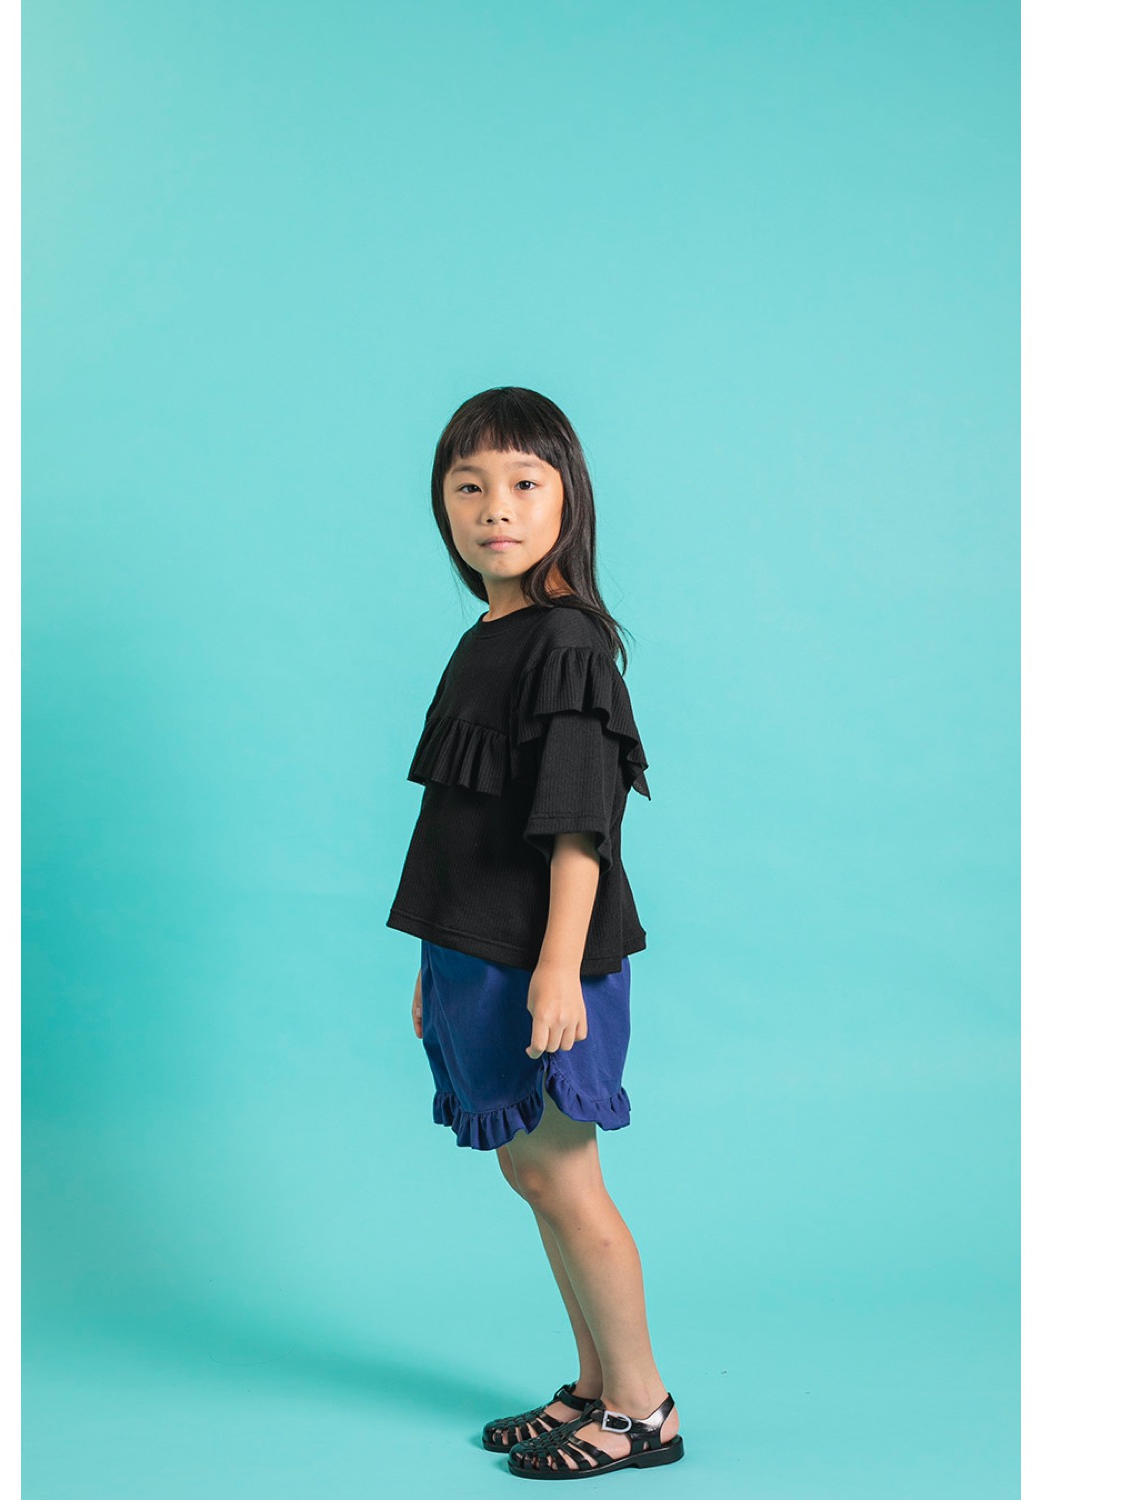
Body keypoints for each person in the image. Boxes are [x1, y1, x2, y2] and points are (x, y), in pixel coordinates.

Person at [386, 387, 685, 1479]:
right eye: (469, 487)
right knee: (531, 1175)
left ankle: (643, 1407)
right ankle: (595, 1384)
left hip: (541, 960)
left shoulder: (566, 642)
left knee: (566, 1176)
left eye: (523, 483)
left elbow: (576, 828)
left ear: (569, 499)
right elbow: (461, 826)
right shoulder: (488, 634)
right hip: (479, 954)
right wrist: (436, 961)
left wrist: (556, 970)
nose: (495, 509)